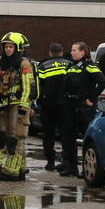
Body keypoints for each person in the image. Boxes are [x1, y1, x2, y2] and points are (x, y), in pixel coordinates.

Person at [0, 32, 34, 181]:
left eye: (11, 47)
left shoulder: (24, 64)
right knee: (4, 136)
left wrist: (23, 107)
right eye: (6, 47)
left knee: (16, 138)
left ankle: (11, 171)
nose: (8, 49)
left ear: (17, 48)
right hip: (3, 105)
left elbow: (28, 87)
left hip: (17, 105)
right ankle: (18, 169)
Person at [60, 41, 105, 177]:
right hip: (70, 105)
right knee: (68, 137)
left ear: (83, 52)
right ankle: (70, 166)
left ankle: (87, 169)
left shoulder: (89, 66)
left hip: (83, 107)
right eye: (72, 50)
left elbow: (102, 82)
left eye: (75, 50)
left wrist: (91, 99)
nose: (72, 52)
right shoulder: (71, 66)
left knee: (87, 139)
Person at [36, 42, 71, 171]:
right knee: (65, 134)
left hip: (47, 106)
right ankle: (65, 160)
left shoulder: (43, 65)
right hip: (64, 106)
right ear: (62, 52)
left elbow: (38, 86)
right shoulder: (69, 64)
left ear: (50, 52)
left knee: (48, 135)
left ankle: (50, 162)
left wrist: (39, 102)